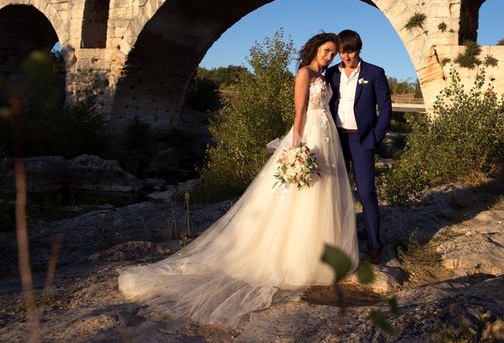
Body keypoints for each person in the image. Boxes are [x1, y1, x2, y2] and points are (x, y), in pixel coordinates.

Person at [118, 32, 358, 327]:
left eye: (333, 53)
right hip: (309, 134)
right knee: (302, 192)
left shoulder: (325, 74)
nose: (330, 56)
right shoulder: (305, 73)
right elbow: (299, 112)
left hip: (328, 134)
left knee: (324, 191)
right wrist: (295, 147)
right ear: (315, 48)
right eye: (326, 50)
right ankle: (295, 257)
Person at [326, 29, 392, 263]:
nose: (346, 56)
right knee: (338, 192)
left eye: (350, 51)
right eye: (342, 52)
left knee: (365, 191)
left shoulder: (375, 73)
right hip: (337, 139)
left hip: (362, 140)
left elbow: (385, 109)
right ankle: (342, 242)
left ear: (358, 49)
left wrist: (374, 137)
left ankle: (375, 244)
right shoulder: (332, 73)